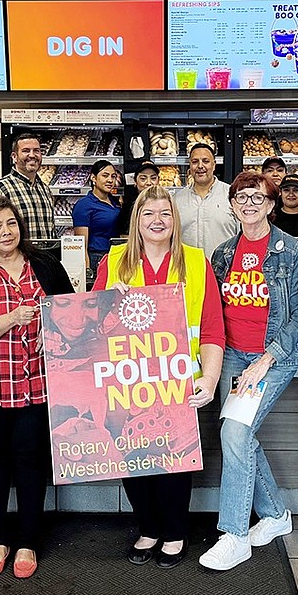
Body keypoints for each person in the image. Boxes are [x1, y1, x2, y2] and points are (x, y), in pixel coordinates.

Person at [94, 185, 225, 568]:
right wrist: (107, 303)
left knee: (173, 459)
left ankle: (175, 531)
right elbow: (95, 330)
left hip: (176, 380)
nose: (157, 221)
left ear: (175, 220)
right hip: (126, 381)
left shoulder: (196, 263)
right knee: (133, 458)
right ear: (136, 220)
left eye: (165, 214)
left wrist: (211, 379)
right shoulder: (113, 262)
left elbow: (213, 329)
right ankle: (147, 527)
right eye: (148, 213)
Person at [0, 197, 74, 579]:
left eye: (11, 224)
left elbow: (73, 316)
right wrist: (11, 318)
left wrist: (52, 332)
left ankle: (27, 542)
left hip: (38, 386)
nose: (5, 232)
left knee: (30, 461)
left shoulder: (45, 265)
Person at [200, 171, 298, 571]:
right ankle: (277, 515)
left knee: (235, 430)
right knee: (237, 434)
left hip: (273, 355)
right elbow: (214, 311)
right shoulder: (224, 253)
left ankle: (235, 534)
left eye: (257, 197)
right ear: (232, 205)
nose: (248, 203)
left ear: (271, 204)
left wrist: (264, 362)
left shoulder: (290, 249)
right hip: (232, 353)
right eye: (241, 197)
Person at [171, 142, 237, 259]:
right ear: (189, 166)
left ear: (214, 165)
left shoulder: (232, 196)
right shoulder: (177, 200)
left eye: (206, 161)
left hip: (224, 270)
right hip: (188, 270)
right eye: (195, 162)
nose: (200, 166)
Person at [0, 131, 56, 239]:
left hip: (45, 255)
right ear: (14, 157)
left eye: (36, 151)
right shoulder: (1, 189)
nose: (32, 155)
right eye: (26, 151)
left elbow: (51, 230)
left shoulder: (45, 189)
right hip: (17, 255)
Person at [72, 159, 122, 271]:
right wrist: (87, 270)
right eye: (105, 176)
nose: (110, 180)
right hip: (97, 258)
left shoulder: (115, 202)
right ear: (93, 178)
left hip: (116, 255)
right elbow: (81, 245)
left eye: (113, 176)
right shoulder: (84, 205)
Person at [118, 160, 160, 237]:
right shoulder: (129, 206)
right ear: (135, 182)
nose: (148, 182)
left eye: (153, 178)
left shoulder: (164, 204)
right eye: (143, 179)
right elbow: (124, 235)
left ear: (158, 181)